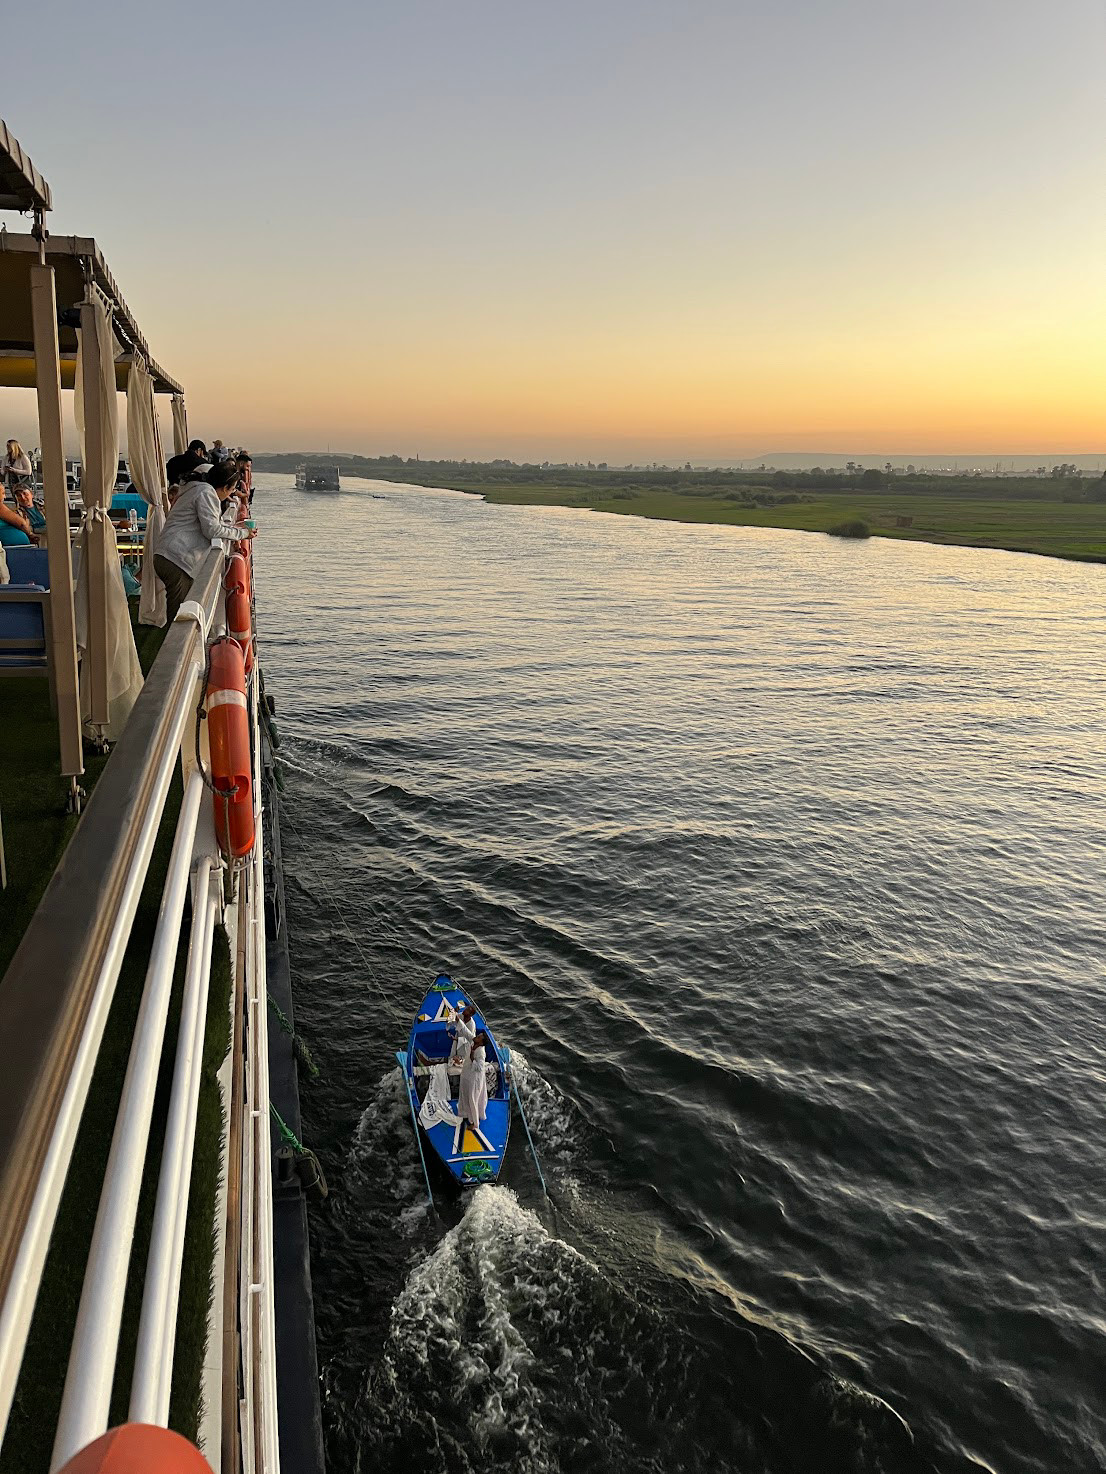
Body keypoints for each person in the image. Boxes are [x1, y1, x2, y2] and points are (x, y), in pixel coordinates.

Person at [154, 462, 254, 622]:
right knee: (179, 614)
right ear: (225, 487)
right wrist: (242, 533)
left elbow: (212, 524)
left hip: (167, 554)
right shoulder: (206, 493)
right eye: (232, 489)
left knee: (179, 608)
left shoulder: (197, 489)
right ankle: (175, 639)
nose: (232, 493)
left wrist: (234, 530)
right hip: (175, 558)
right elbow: (212, 530)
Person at [458, 1030, 489, 1128]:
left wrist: (472, 1058)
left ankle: (475, 1123)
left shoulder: (481, 1052)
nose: (477, 1037)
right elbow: (467, 1033)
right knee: (464, 1094)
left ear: (481, 1043)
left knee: (472, 1098)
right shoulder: (473, 1042)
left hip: (474, 1079)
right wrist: (458, 1022)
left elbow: (480, 1067)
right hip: (466, 1074)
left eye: (479, 1037)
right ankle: (465, 1113)